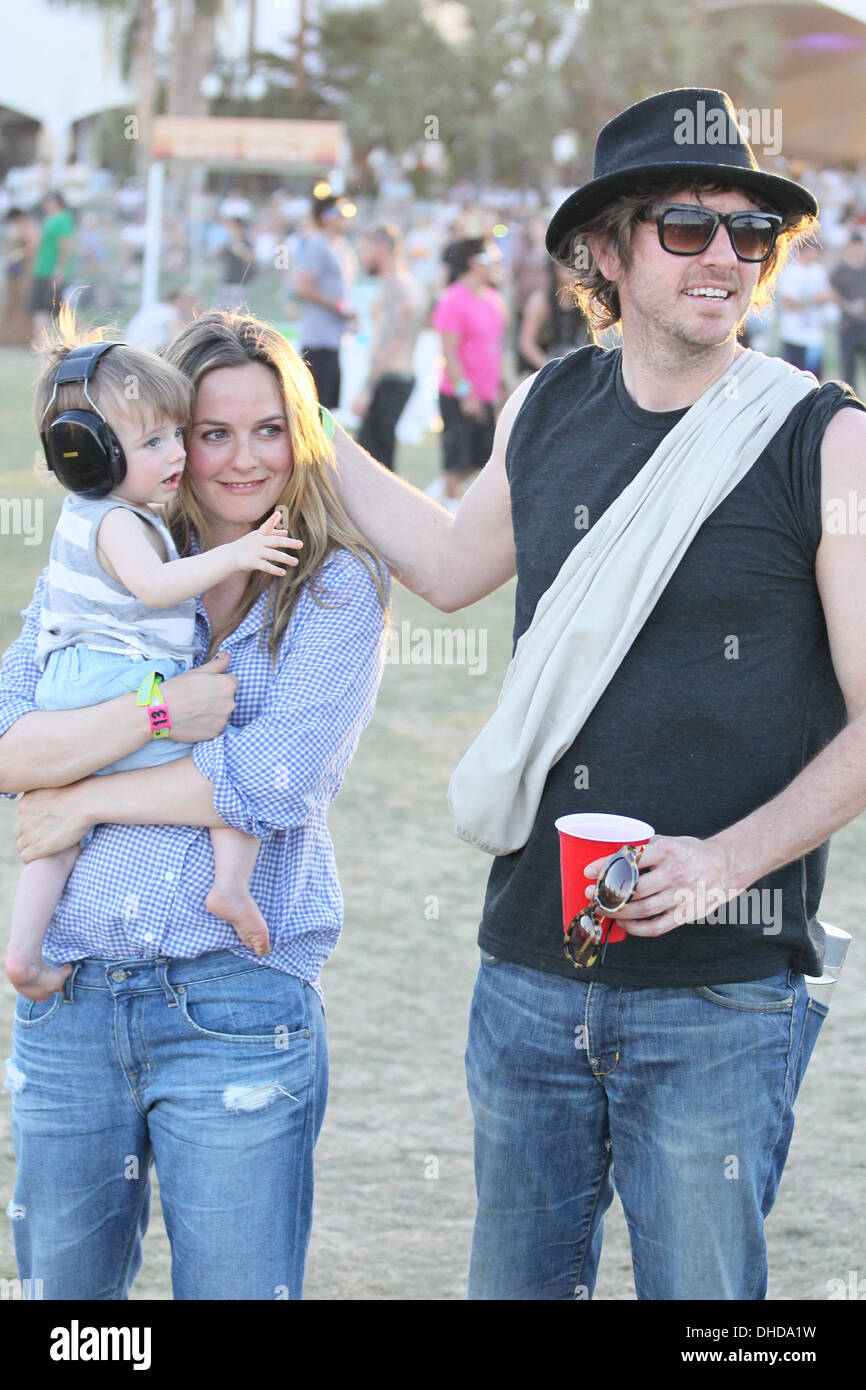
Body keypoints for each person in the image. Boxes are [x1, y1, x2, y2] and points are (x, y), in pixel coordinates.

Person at [324, 87, 866, 1300]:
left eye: (749, 234)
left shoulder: (823, 442)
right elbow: (449, 566)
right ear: (605, 253)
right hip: (527, 961)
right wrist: (301, 424)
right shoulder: (546, 404)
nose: (723, 255)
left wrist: (726, 861)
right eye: (684, 226)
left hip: (719, 983)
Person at [1, 308, 389, 1300]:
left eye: (269, 429)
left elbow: (274, 782)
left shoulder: (334, 586)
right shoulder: (97, 565)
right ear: (162, 436)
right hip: (72, 1000)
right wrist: (162, 710)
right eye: (210, 432)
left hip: (232, 1003)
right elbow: (11, 749)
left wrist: (79, 801)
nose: (239, 459)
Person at [5, 326, 305, 1000]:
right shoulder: (117, 520)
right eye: (151, 444)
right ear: (86, 457)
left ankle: (23, 953)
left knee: (55, 830)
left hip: (80, 685)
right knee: (224, 775)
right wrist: (235, 554)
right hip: (124, 679)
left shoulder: (100, 514)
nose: (174, 456)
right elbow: (155, 587)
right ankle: (230, 888)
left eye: (176, 435)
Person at [429, 237, 506, 509]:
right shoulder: (453, 299)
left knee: (484, 458)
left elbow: (496, 347)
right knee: (457, 458)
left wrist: (499, 387)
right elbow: (448, 352)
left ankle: (435, 493)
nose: (497, 265)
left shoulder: (494, 298)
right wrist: (464, 392)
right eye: (492, 259)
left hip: (486, 393)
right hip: (459, 394)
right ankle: (446, 509)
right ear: (474, 262)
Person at [352, 224, 428, 472]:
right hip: (398, 376)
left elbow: (390, 341)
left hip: (389, 379)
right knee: (377, 460)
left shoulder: (396, 287)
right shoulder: (410, 284)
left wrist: (368, 388)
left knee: (372, 465)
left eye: (366, 250)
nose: (363, 257)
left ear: (382, 249)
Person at [292, 195, 358, 408]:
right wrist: (339, 306)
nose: (346, 217)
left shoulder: (339, 246)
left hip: (333, 336)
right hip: (319, 338)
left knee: (326, 406)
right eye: (340, 212)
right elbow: (303, 286)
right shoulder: (318, 245)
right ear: (325, 217)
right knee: (315, 406)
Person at [516, 259, 590, 373]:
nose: (571, 271)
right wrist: (552, 369)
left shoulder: (586, 301)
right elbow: (526, 344)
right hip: (544, 371)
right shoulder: (540, 301)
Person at [776, 240, 835, 376]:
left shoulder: (818, 271)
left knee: (815, 377)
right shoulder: (791, 272)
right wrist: (812, 300)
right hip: (794, 335)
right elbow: (788, 302)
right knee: (796, 376)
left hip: (815, 334)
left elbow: (827, 295)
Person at [29, 192, 75, 337]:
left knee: (57, 308)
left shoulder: (62, 219)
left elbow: (65, 245)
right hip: (42, 269)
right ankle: (39, 341)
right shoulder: (49, 219)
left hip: (51, 271)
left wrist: (60, 267)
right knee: (41, 307)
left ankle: (85, 334)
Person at [830, 231, 866, 392]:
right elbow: (832, 293)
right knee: (848, 370)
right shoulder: (840, 271)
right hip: (848, 325)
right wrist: (848, 305)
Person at [1, 207, 38, 345]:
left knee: (24, 303)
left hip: (23, 272)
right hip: (11, 270)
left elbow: (32, 246)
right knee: (9, 303)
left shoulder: (27, 227)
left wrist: (20, 254)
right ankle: (6, 337)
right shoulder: (11, 228)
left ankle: (24, 338)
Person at [217, 217, 255, 311]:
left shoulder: (245, 242)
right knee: (221, 312)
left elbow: (249, 259)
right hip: (227, 282)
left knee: (237, 313)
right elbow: (217, 254)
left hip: (238, 284)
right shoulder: (228, 242)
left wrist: (238, 247)